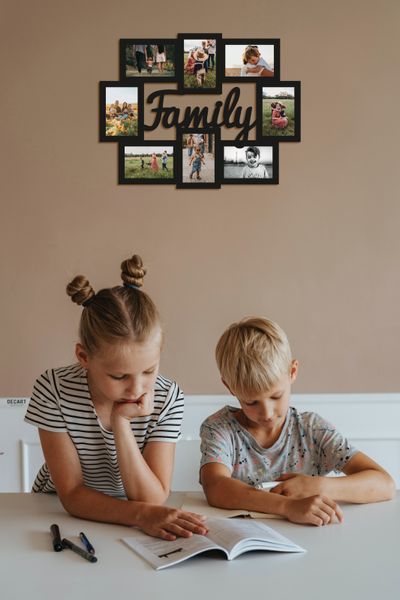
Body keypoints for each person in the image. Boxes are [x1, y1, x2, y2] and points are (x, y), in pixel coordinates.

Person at [24, 254, 208, 541]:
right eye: (119, 377)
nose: (137, 389)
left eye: (149, 370)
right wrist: (140, 515)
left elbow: (152, 498)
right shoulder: (54, 390)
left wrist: (121, 423)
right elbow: (72, 495)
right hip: (56, 513)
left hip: (135, 515)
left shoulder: (167, 397)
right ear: (84, 357)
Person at [200, 317, 395, 526]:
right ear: (230, 387)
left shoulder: (313, 429)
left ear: (292, 372)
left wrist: (318, 487)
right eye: (251, 402)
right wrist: (287, 506)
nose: (266, 413)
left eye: (276, 396)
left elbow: (385, 485)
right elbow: (216, 487)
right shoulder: (220, 428)